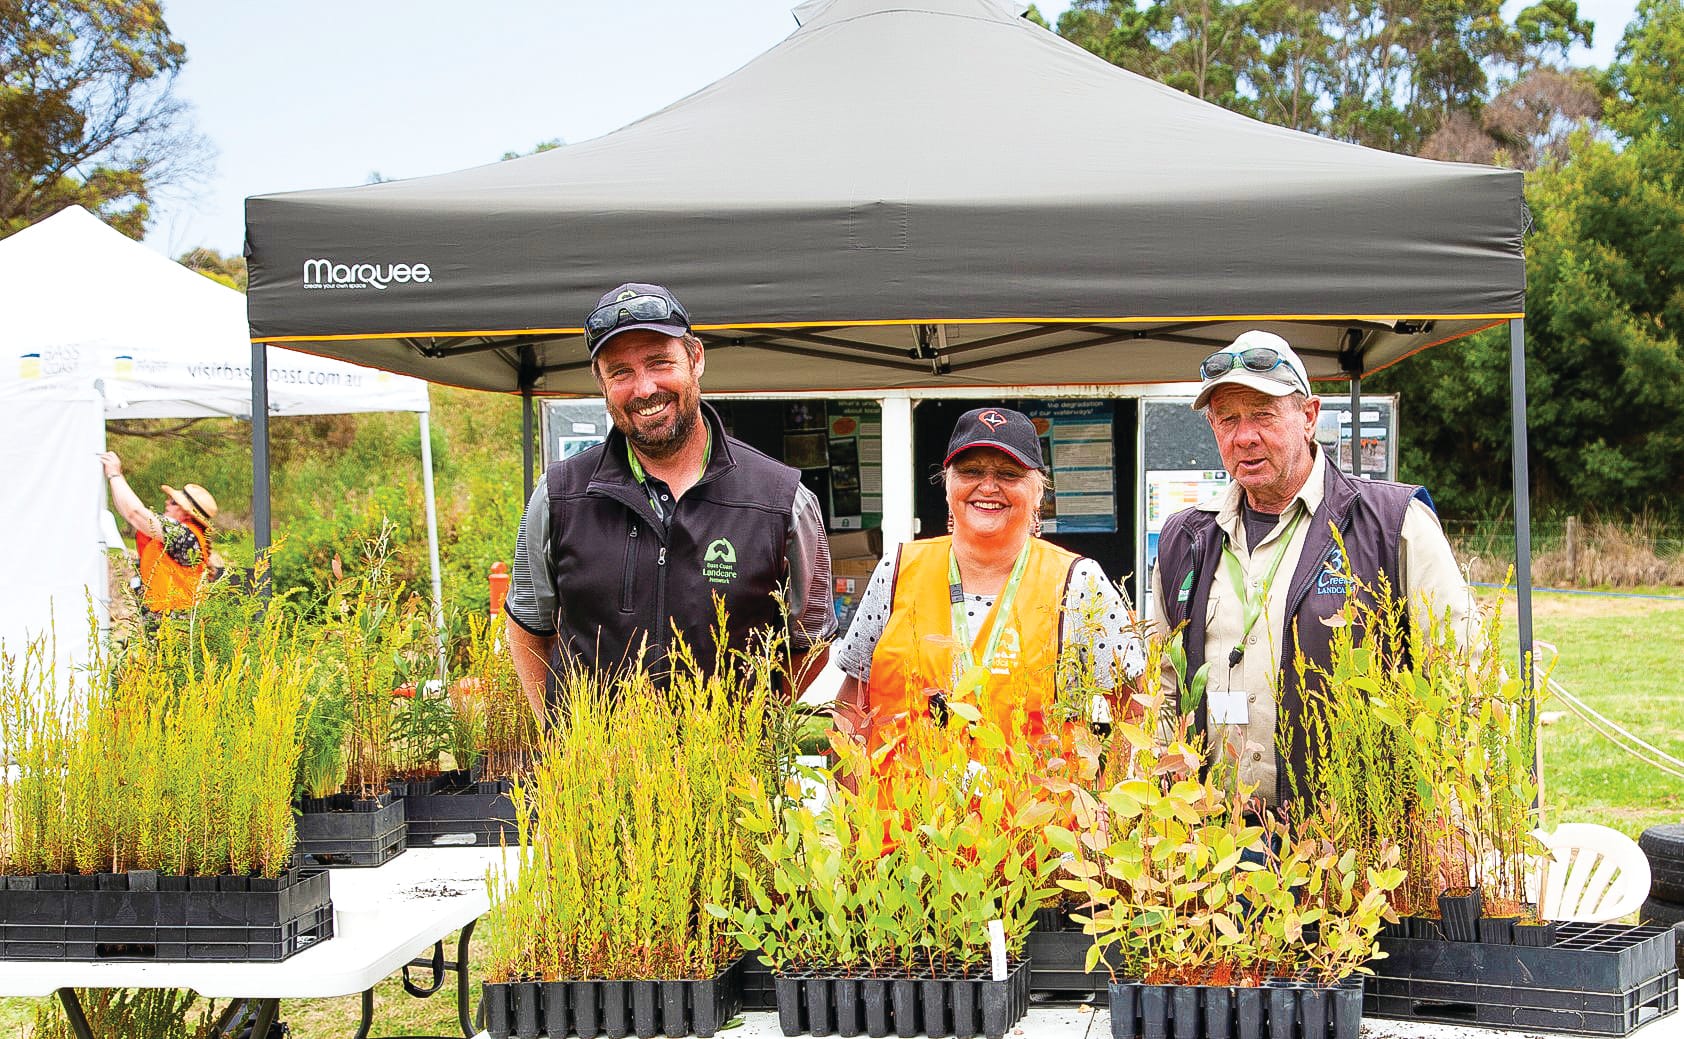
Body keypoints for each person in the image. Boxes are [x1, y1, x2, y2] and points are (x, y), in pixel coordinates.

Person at [1151, 330, 1474, 808]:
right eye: (1227, 419)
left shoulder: (1393, 523)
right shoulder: (1186, 539)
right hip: (1214, 848)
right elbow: (1164, 691)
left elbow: (1458, 681)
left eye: (1263, 414)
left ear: (1308, 416)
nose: (1245, 437)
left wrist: (1451, 825)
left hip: (1350, 845)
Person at [503, 283, 835, 716]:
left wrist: (747, 730)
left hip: (728, 779)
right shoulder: (559, 496)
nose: (643, 389)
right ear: (600, 382)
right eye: (620, 372)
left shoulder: (782, 501)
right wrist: (559, 732)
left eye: (659, 362)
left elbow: (810, 643)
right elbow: (528, 625)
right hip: (596, 778)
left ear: (695, 358)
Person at [833, 407, 1147, 751]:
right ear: (948, 484)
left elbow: (1133, 706)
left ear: (1039, 492)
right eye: (970, 471)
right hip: (900, 803)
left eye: (1009, 474)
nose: (988, 486)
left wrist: (1107, 797)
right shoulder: (896, 571)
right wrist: (848, 794)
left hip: (1035, 803)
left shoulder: (1079, 582)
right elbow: (853, 700)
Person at [98, 451, 219, 614]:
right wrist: (114, 478)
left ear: (187, 513)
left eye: (174, 502)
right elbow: (129, 513)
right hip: (167, 622)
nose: (167, 502)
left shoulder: (184, 536)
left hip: (174, 626)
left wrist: (115, 474)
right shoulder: (187, 536)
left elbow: (134, 513)